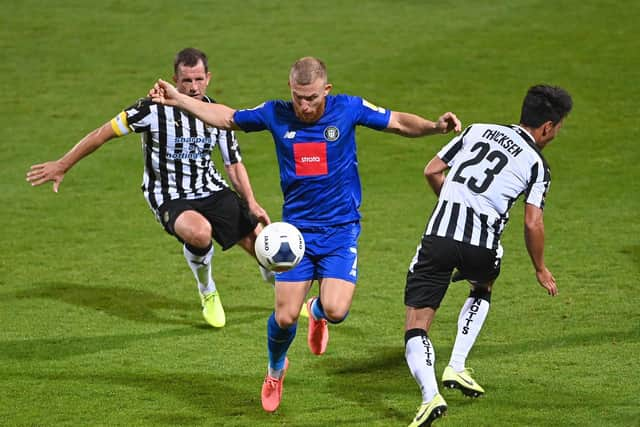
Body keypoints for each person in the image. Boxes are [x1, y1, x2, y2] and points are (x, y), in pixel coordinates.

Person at [148, 56, 462, 412]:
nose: (304, 105)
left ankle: (316, 312)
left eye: (312, 97)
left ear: (326, 90)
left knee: (337, 309)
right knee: (283, 318)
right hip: (295, 234)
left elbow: (398, 123)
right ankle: (275, 370)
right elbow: (227, 117)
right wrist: (178, 97)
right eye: (298, 96)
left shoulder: (348, 109)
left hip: (341, 231)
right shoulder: (275, 113)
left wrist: (435, 127)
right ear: (290, 90)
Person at [26, 48, 272, 329]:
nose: (192, 88)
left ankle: (286, 296)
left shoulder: (216, 114)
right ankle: (208, 290)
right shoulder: (150, 110)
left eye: (198, 79)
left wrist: (250, 201)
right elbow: (100, 135)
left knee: (264, 246)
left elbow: (233, 164)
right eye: (186, 81)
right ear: (174, 80)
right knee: (200, 233)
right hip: (169, 195)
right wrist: (63, 165)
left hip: (211, 188)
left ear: (208, 78)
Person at [403, 84, 573, 426]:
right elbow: (532, 221)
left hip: (438, 238)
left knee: (417, 325)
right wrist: (540, 268)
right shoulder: (538, 165)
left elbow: (432, 170)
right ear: (547, 127)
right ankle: (457, 364)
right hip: (482, 246)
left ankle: (429, 395)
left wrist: (451, 202)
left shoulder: (477, 130)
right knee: (483, 285)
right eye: (559, 127)